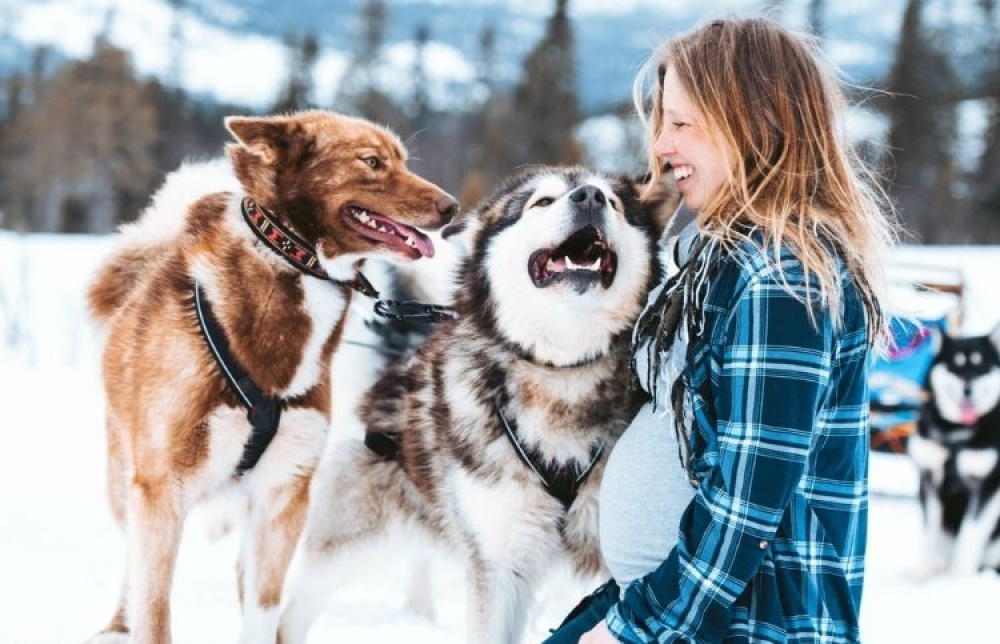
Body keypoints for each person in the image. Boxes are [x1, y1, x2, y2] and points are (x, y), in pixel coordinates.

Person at [544, 16, 896, 644]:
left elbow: (745, 503)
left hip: (746, 621)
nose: (660, 146)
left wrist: (632, 628)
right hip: (678, 606)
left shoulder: (784, 277)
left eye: (681, 123)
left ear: (756, 122)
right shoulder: (715, 254)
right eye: (659, 123)